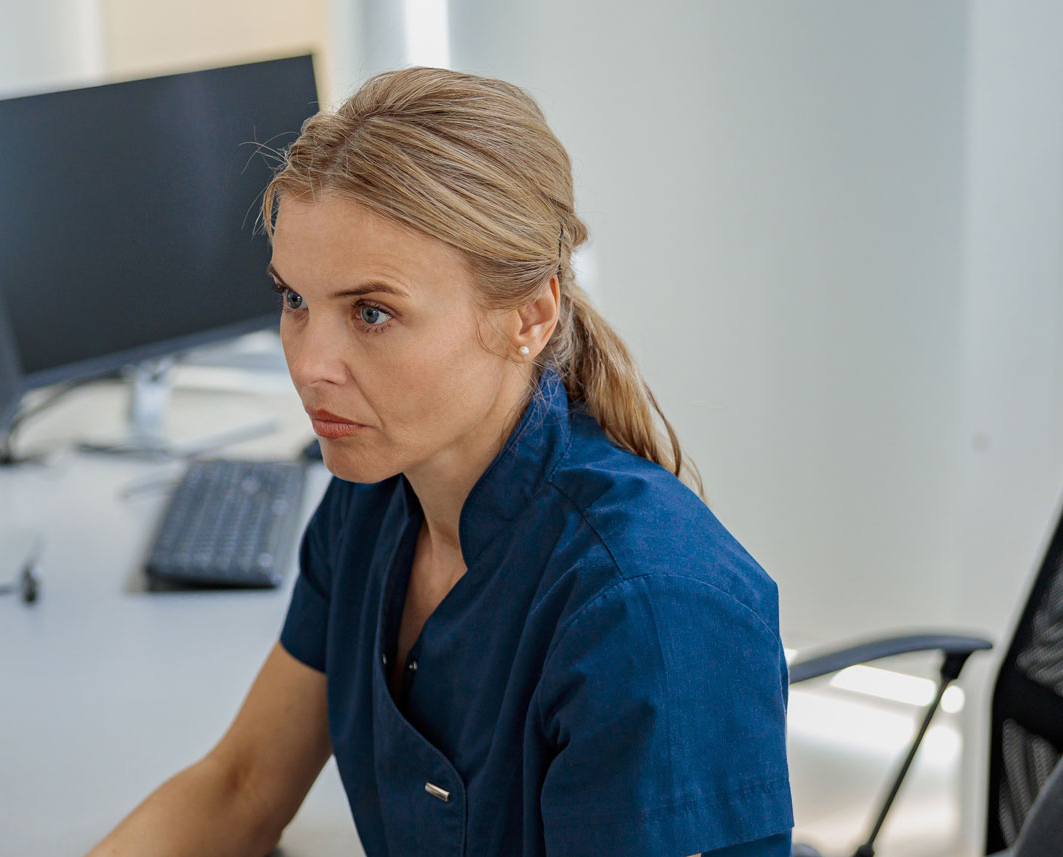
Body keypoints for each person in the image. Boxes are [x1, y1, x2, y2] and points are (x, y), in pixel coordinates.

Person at [86, 67, 793, 857]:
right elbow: (242, 785)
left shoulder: (643, 610)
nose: (311, 363)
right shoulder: (375, 498)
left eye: (373, 312)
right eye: (295, 301)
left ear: (529, 315)